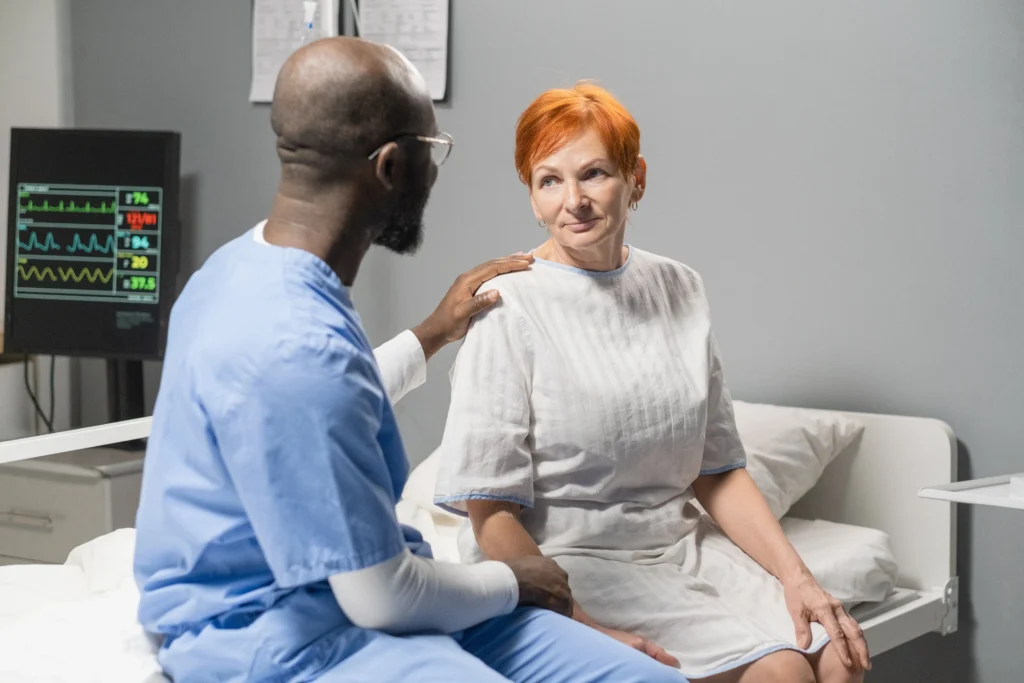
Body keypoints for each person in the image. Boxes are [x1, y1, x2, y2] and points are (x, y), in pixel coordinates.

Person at [132, 38, 686, 683]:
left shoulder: (241, 269)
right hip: (282, 628)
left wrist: (431, 332)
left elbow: (325, 406)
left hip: (365, 592)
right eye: (434, 149)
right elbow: (381, 596)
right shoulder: (294, 346)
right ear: (392, 166)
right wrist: (516, 579)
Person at [433, 82, 872, 683]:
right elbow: (491, 517)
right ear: (532, 199)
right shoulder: (508, 305)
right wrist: (582, 626)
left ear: (636, 178)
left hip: (680, 544)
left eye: (594, 174)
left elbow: (716, 471)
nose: (574, 201)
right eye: (549, 180)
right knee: (783, 673)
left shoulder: (678, 287)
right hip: (572, 559)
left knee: (839, 657)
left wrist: (799, 579)